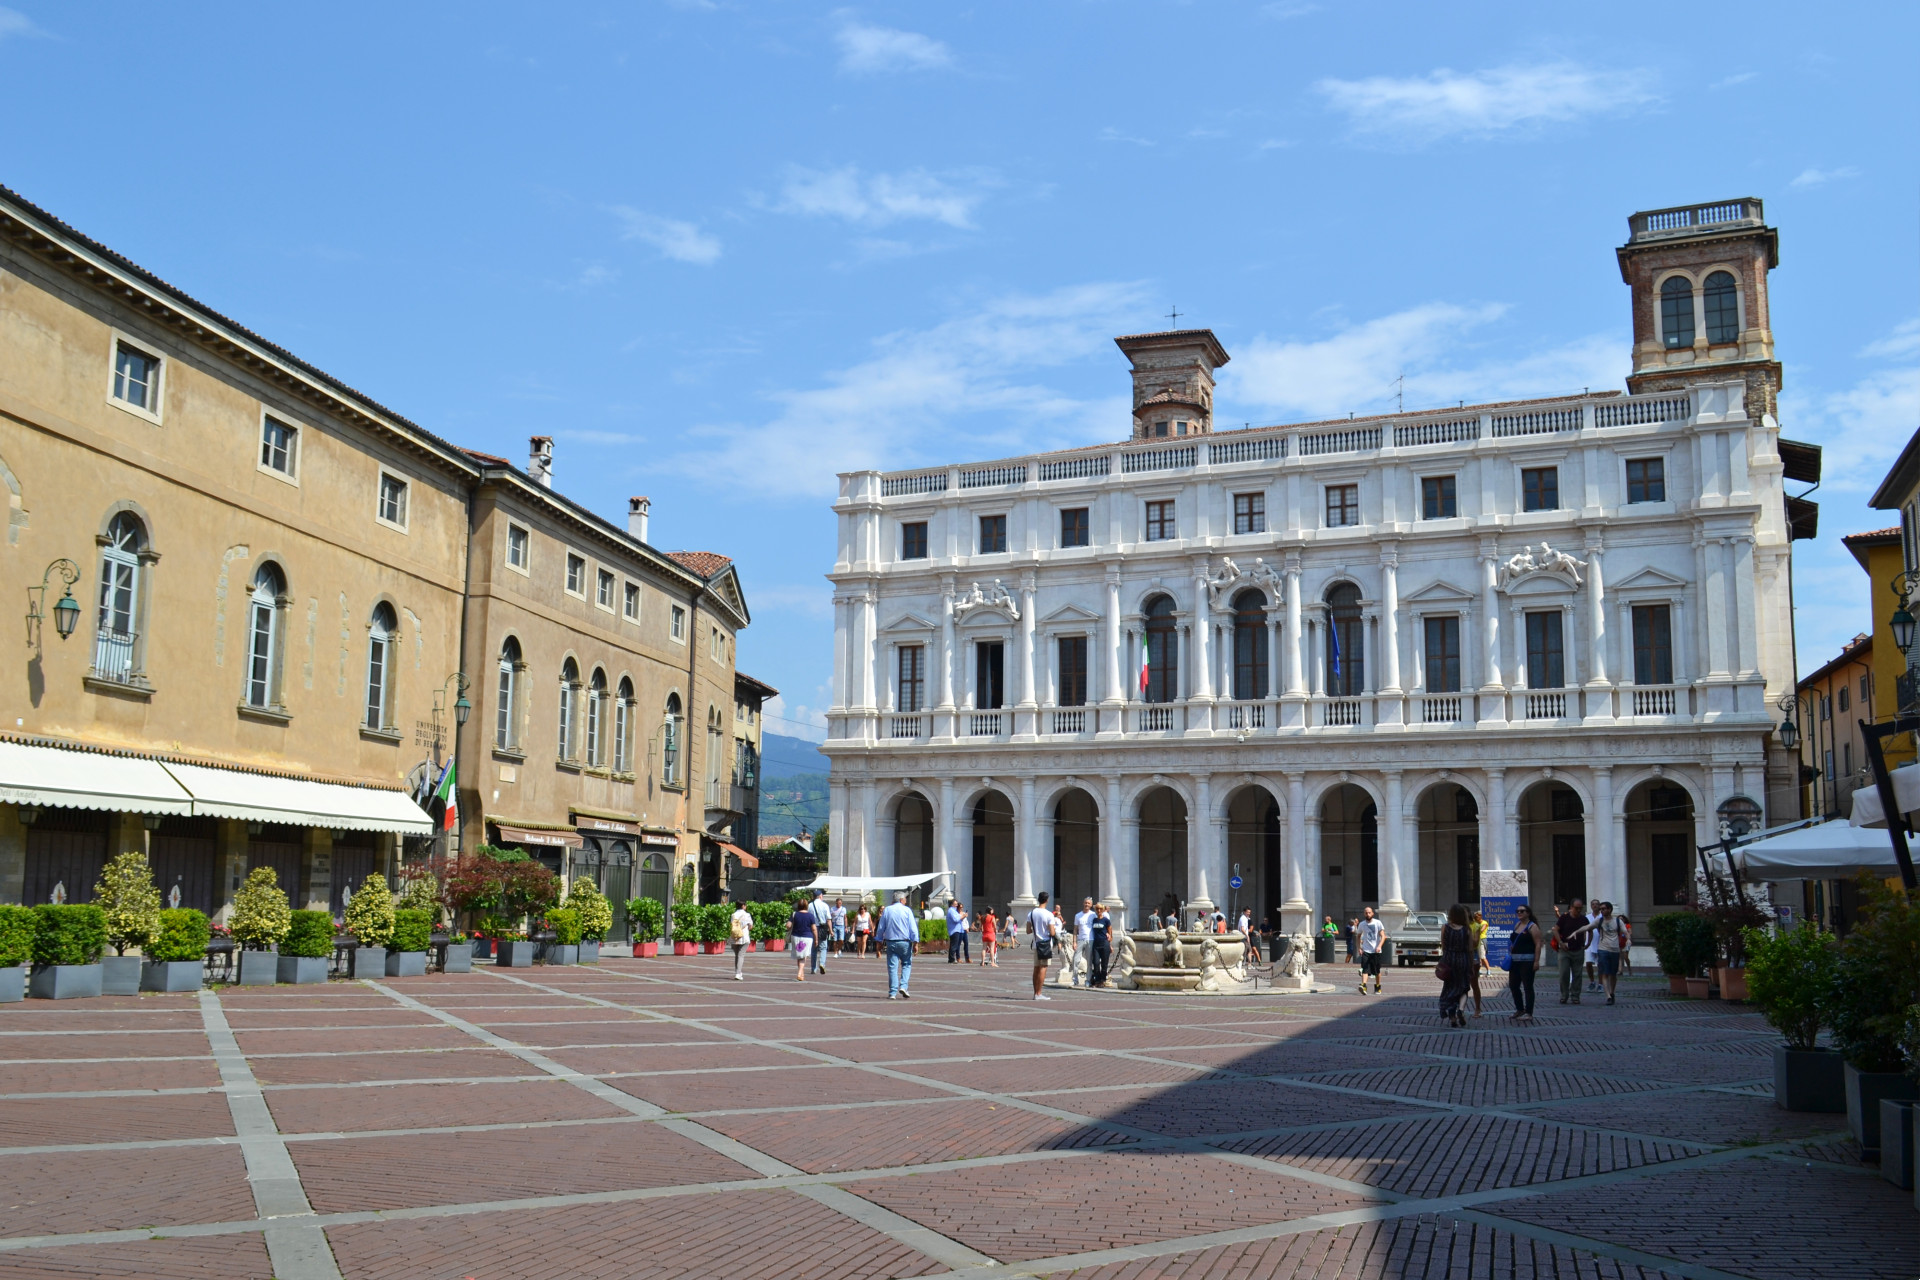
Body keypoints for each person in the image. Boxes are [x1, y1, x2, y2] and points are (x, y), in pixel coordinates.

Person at [1437, 904, 1476, 1027]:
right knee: (1464, 987)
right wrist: (1471, 966)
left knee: (1450, 988)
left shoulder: (1445, 927)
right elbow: (1470, 949)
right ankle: (1462, 1010)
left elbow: (1443, 945)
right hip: (1463, 960)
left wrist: (1445, 959)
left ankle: (1453, 1018)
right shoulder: (1467, 930)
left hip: (1449, 959)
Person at [876, 890, 918, 999]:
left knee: (892, 967)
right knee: (906, 964)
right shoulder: (907, 910)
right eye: (905, 899)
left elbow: (881, 927)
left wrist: (879, 941)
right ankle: (903, 986)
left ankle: (892, 992)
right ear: (901, 899)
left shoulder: (887, 910)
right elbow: (913, 928)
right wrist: (916, 942)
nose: (905, 901)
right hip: (905, 942)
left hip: (891, 942)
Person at [1507, 904, 1543, 1022]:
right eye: (1517, 911)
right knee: (1513, 985)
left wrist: (1536, 961)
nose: (1519, 913)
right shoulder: (1517, 925)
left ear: (1528, 913)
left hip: (1527, 961)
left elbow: (1538, 944)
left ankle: (1529, 1012)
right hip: (1515, 961)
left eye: (1522, 911)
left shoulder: (1532, 927)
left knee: (1527, 987)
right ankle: (1519, 1009)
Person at [1591, 901, 1626, 1005]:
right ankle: (1608, 996)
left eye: (1603, 909)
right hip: (1602, 949)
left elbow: (1625, 932)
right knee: (1604, 973)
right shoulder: (1599, 920)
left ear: (1609, 909)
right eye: (1600, 909)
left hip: (1614, 950)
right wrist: (1576, 932)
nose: (1601, 910)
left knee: (1613, 974)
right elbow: (1587, 927)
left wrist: (1628, 939)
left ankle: (1612, 992)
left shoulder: (1618, 921)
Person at [1554, 899, 1588, 1004]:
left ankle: (1575, 996)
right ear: (1571, 907)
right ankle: (1564, 995)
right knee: (1564, 973)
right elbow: (1555, 929)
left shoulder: (1583, 919)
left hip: (1578, 949)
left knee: (1577, 974)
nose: (1578, 910)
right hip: (1565, 950)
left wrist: (1588, 943)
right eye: (1576, 908)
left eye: (1580, 908)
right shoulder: (1564, 918)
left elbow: (1589, 930)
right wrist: (1560, 942)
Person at [1027, 891, 1057, 1001]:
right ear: (1047, 900)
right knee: (1043, 968)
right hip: (1045, 944)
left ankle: (1035, 993)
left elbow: (1028, 930)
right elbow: (1052, 932)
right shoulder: (1049, 914)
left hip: (1036, 943)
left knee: (1036, 968)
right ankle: (1039, 993)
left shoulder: (1031, 913)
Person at [1355, 906, 1386, 995]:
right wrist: (1359, 948)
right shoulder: (1362, 924)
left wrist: (1379, 946)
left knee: (1377, 971)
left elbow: (1383, 936)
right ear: (1364, 914)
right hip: (1366, 950)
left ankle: (1378, 986)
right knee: (1365, 969)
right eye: (1366, 913)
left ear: (1372, 913)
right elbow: (1358, 936)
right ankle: (1363, 985)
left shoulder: (1378, 923)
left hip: (1376, 951)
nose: (1368, 914)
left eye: (1369, 913)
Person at [789, 899, 817, 982]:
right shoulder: (810, 916)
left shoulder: (795, 914)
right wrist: (816, 939)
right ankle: (800, 972)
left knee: (799, 955)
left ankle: (802, 974)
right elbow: (814, 929)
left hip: (796, 936)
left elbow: (788, 925)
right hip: (807, 937)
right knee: (803, 956)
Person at [1468, 908, 1489, 1017]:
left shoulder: (1477, 925)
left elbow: (1475, 942)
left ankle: (1477, 1009)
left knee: (1474, 983)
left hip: (1472, 953)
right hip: (1462, 955)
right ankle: (1459, 1009)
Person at [807, 889, 832, 975]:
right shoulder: (825, 905)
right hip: (822, 928)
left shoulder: (810, 905)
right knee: (823, 948)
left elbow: (808, 918)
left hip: (812, 928)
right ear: (820, 896)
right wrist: (831, 930)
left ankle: (813, 968)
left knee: (814, 949)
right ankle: (822, 963)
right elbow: (828, 919)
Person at [1089, 902, 1113, 986]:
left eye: (1100, 909)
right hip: (1096, 944)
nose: (1099, 910)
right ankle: (1097, 980)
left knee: (1104, 963)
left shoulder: (1106, 920)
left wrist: (1110, 944)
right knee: (1095, 962)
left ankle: (1102, 980)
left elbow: (1110, 933)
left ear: (1103, 910)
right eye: (1097, 909)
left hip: (1104, 943)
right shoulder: (1094, 920)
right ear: (1095, 910)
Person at [1072, 897, 1095, 987]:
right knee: (1076, 960)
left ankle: (1088, 980)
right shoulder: (1078, 915)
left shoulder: (1093, 915)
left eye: (1088, 903)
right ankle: (1075, 979)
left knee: (1089, 961)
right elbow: (1075, 930)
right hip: (1080, 939)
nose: (1086, 905)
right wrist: (1074, 942)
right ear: (1083, 903)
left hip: (1091, 939)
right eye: (1085, 903)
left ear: (1091, 905)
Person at [729, 901, 753, 981]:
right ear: (743, 906)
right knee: (741, 955)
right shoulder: (747, 915)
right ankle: (738, 973)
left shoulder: (733, 915)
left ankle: (737, 972)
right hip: (744, 936)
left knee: (737, 955)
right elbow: (750, 926)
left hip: (734, 937)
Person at [1584, 901, 1603, 994]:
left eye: (1596, 904)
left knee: (1600, 965)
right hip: (1589, 943)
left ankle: (1601, 984)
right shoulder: (1587, 917)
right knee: (1588, 963)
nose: (1595, 905)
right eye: (1593, 904)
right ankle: (1592, 981)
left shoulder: (1602, 917)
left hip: (1601, 944)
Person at [946, 899, 968, 963]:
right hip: (954, 930)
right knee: (954, 945)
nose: (956, 906)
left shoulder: (954, 911)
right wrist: (963, 916)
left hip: (957, 929)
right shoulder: (951, 911)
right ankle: (952, 959)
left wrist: (963, 916)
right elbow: (956, 919)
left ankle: (951, 958)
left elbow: (959, 919)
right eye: (955, 904)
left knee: (954, 945)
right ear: (952, 905)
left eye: (957, 904)